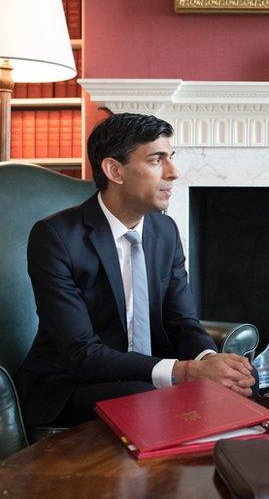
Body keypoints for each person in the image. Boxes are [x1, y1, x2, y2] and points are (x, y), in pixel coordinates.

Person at [16, 113, 255, 428]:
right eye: (157, 160)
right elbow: (80, 353)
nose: (173, 173)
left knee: (244, 382)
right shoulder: (56, 237)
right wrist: (184, 372)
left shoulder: (165, 231)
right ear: (115, 170)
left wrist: (210, 363)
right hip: (69, 384)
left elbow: (183, 323)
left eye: (170, 158)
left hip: (148, 376)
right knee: (143, 395)